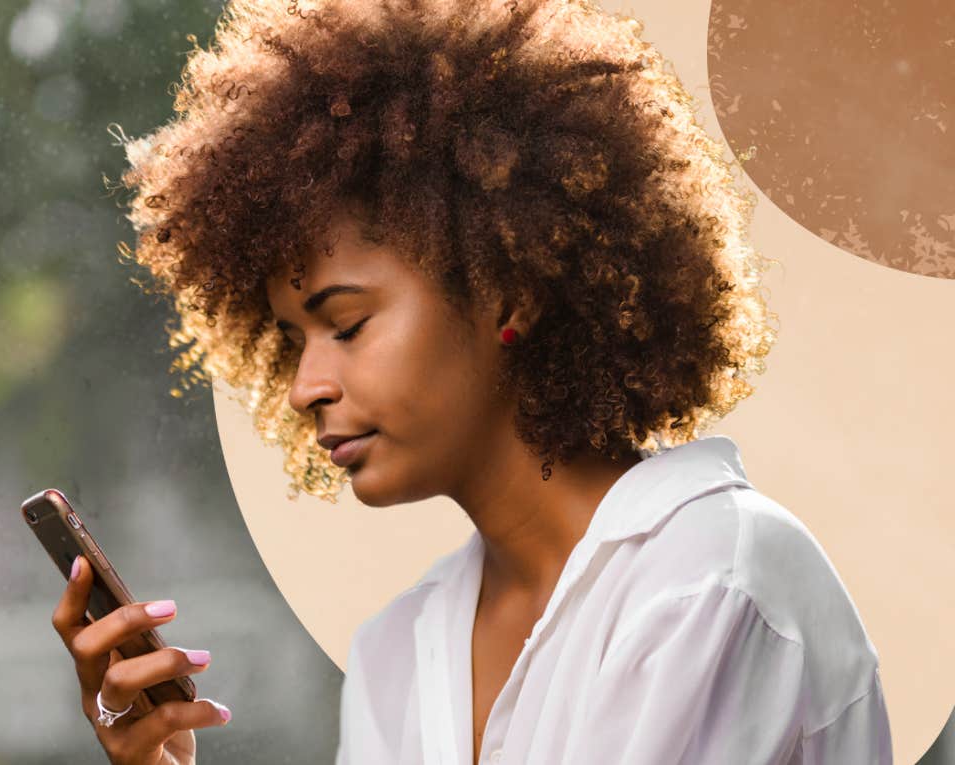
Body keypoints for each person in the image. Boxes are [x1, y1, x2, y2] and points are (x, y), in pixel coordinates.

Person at [52, 0, 894, 762]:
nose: (307, 384)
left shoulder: (713, 578)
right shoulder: (399, 651)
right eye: (291, 339)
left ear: (510, 289)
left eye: (346, 324)